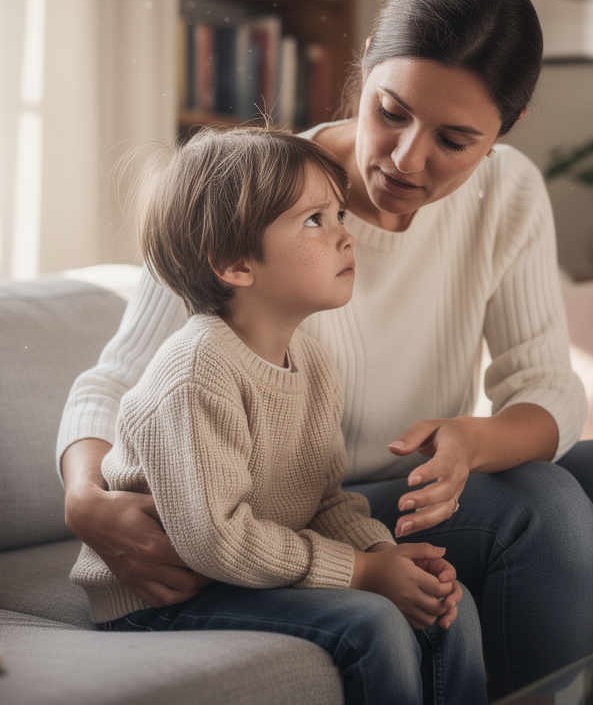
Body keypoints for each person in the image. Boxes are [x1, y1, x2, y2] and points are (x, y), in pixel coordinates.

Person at [59, 0, 593, 699]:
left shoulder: (509, 191)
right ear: (364, 70)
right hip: (299, 501)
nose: (405, 157)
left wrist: (473, 441)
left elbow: (547, 384)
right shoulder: (256, 193)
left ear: (504, 131)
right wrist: (83, 497)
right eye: (391, 110)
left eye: (455, 140)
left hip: (398, 490)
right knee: (541, 507)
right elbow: (118, 381)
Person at [70, 125, 486, 705]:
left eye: (340, 215)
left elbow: (323, 501)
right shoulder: (196, 372)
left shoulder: (312, 362)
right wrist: (361, 576)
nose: (346, 237)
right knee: (374, 623)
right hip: (168, 598)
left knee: (448, 612)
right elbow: (217, 541)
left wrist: (380, 554)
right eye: (316, 221)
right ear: (236, 264)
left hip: (242, 574)